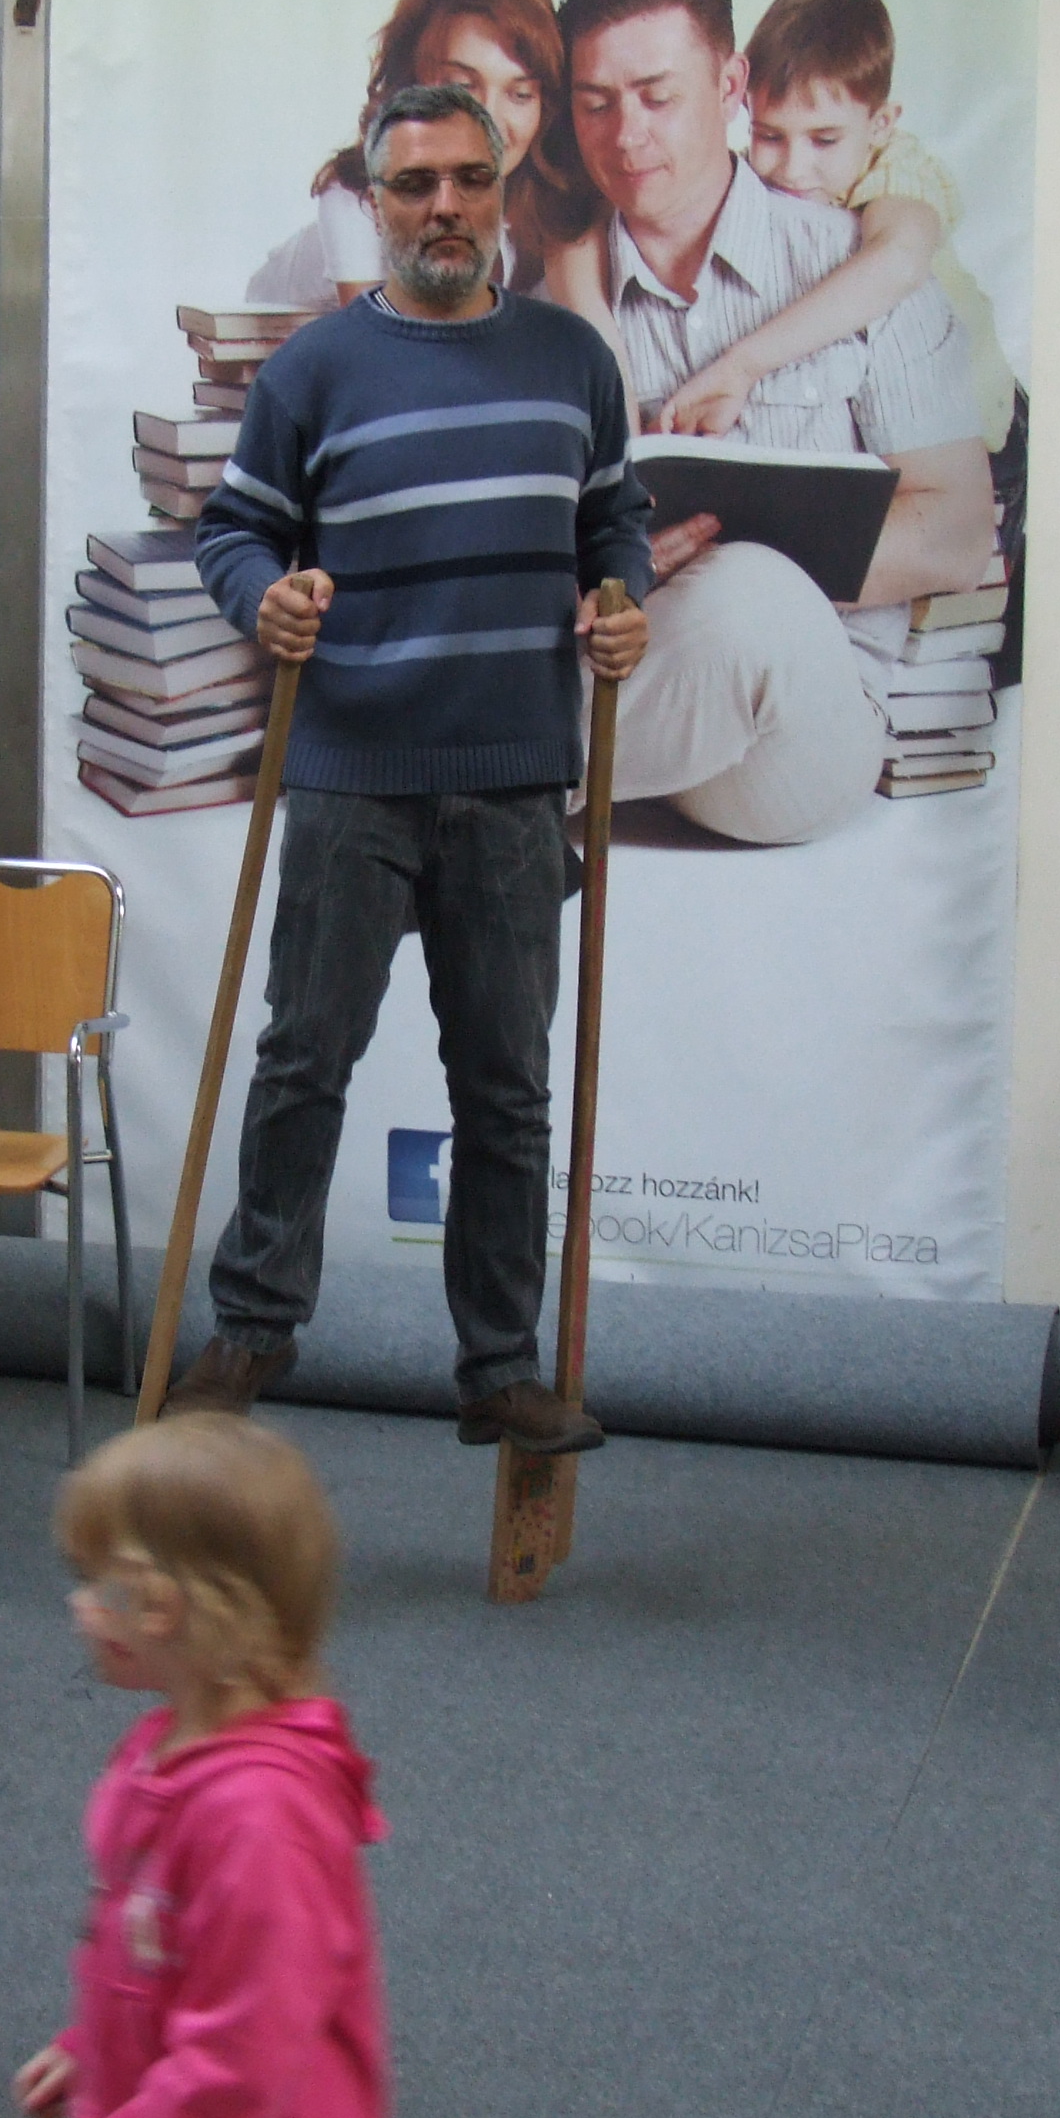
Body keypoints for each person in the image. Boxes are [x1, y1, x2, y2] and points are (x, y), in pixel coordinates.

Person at [172, 81, 649, 1449]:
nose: (443, 206)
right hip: (350, 772)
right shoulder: (313, 370)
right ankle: (254, 1330)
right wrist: (261, 598)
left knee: (504, 1090)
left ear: (503, 192)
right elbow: (232, 533)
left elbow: (615, 518)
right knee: (302, 1061)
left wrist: (619, 596)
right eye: (412, 184)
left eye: (466, 179)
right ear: (373, 202)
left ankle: (499, 1369)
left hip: (513, 779)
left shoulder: (571, 359)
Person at [557, 0, 995, 845]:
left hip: (797, 727)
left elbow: (957, 535)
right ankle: (500, 786)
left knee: (750, 594)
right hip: (623, 685)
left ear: (732, 85)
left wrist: (706, 557)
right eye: (596, 103)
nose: (626, 135)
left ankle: (477, 791)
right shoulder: (557, 291)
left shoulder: (865, 269)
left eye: (657, 97)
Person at [16, 1415, 389, 2118]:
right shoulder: (167, 1745)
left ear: (164, 1609)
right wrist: (95, 2048)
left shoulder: (260, 1820)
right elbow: (162, 1953)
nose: (79, 1606)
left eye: (99, 1586)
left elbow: (246, 2054)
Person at [635, 0, 1020, 458]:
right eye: (769, 136)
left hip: (985, 432)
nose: (793, 168)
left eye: (824, 140)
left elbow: (899, 261)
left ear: (880, 124)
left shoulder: (896, 168)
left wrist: (742, 366)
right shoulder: (753, 182)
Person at [244, 0, 595, 310]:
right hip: (260, 331)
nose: (488, 119)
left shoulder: (547, 204)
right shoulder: (357, 202)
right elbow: (380, 340)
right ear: (412, 83)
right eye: (462, 86)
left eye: (520, 94)